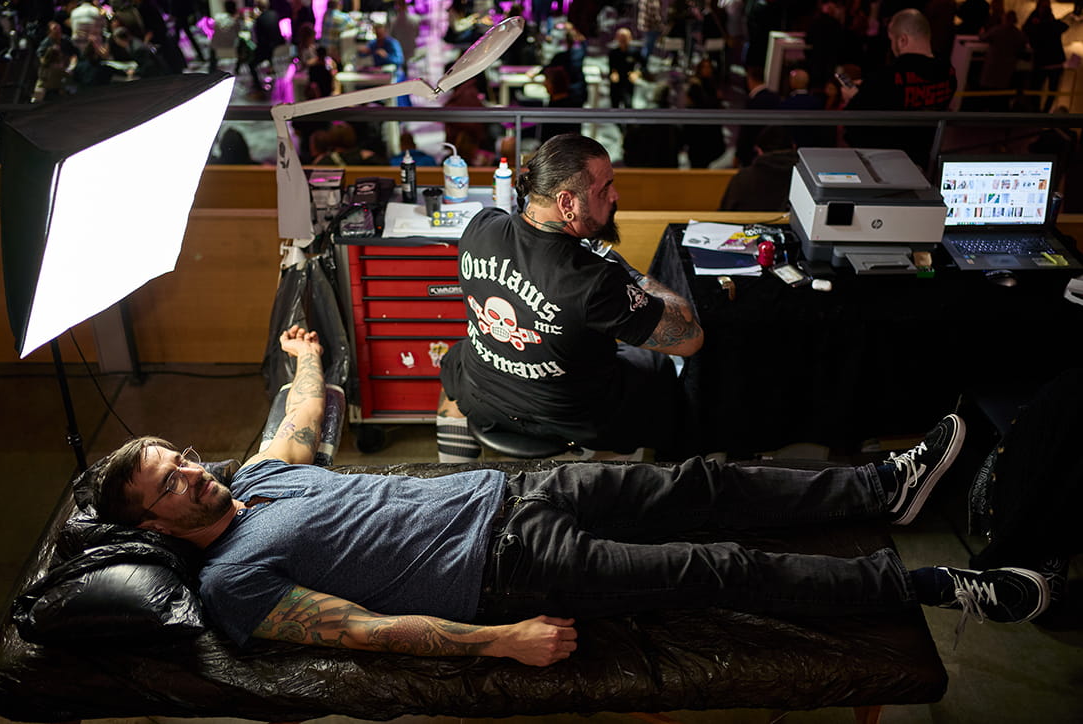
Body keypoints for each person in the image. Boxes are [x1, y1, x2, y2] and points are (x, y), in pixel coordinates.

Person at [93, 327, 1051, 666]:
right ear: (151, 522)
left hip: (519, 490)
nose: (193, 471)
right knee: (716, 568)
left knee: (704, 480)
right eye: (170, 482)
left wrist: (303, 357)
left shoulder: (255, 477)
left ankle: (884, 485)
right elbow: (362, 632)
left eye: (183, 457)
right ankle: (932, 587)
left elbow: (301, 418)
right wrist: (502, 642)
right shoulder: (233, 581)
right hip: (510, 567)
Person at [436, 134, 703, 460]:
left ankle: (450, 478)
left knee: (455, 363)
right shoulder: (596, 280)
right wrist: (633, 276)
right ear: (566, 203)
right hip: (569, 415)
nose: (615, 195)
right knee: (658, 368)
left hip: (483, 391)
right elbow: (689, 339)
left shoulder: (481, 226)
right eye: (605, 189)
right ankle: (628, 480)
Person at [841, 8, 956, 170]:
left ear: (902, 40)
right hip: (925, 158)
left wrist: (854, 97)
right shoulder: (948, 72)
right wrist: (868, 87)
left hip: (886, 164)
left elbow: (854, 124)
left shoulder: (887, 76)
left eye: (892, 40)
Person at [718, 125, 798, 211]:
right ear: (794, 146)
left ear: (759, 150)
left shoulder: (743, 178)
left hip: (745, 219)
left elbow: (725, 210)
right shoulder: (801, 179)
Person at [1023, 0, 1070, 113]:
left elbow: (1027, 31)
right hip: (1055, 62)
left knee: (1036, 89)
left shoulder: (1037, 26)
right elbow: (1064, 26)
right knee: (1051, 90)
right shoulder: (1052, 24)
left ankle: (1038, 112)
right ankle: (1044, 112)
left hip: (1043, 62)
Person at [608, 27, 641, 110]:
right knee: (615, 104)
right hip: (616, 82)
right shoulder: (613, 52)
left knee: (628, 103)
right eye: (621, 37)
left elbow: (642, 65)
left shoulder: (634, 52)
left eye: (625, 37)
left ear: (630, 38)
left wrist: (636, 73)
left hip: (628, 81)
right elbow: (611, 66)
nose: (623, 40)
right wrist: (613, 73)